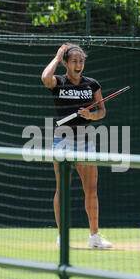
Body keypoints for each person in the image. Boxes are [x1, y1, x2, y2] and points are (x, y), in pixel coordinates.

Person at [41, 43, 112, 249]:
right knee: (62, 189)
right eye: (74, 61)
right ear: (65, 63)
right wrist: (56, 56)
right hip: (62, 141)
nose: (79, 64)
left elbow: (102, 111)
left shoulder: (92, 84)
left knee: (91, 190)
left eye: (81, 61)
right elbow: (45, 78)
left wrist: (91, 115)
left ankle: (94, 237)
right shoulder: (58, 82)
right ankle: (62, 237)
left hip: (86, 143)